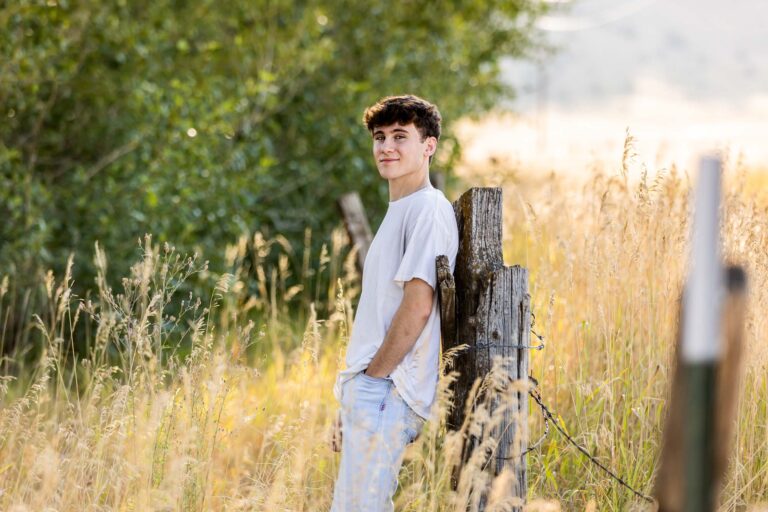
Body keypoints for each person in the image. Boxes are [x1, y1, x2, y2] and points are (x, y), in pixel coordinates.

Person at [329, 95, 459, 511]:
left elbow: (418, 306)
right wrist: (353, 394)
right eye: (380, 137)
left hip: (386, 388)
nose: (386, 147)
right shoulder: (400, 209)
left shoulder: (428, 209)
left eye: (400, 136)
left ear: (429, 146)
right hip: (372, 386)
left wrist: (371, 381)